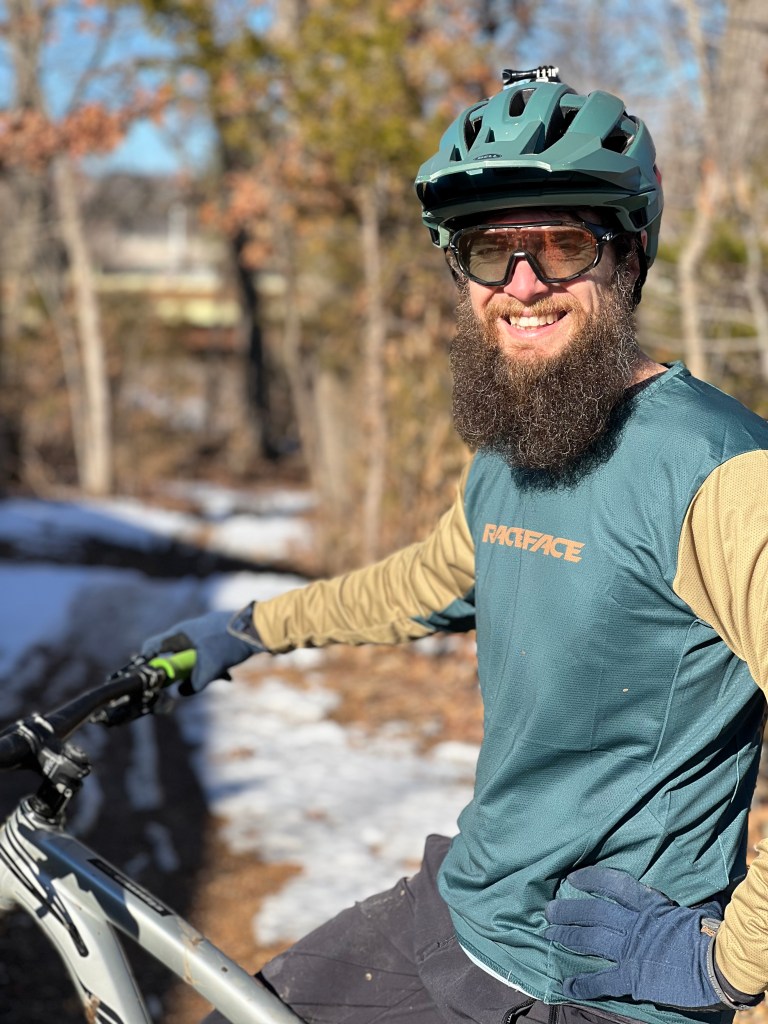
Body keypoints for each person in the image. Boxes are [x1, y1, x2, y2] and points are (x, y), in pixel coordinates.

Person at [142, 67, 768, 1024]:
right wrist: (249, 627)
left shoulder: (717, 470)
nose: (522, 285)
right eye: (489, 252)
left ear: (630, 254)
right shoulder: (524, 437)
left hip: (595, 982)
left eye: (561, 244)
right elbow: (428, 580)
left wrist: (728, 964)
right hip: (465, 907)